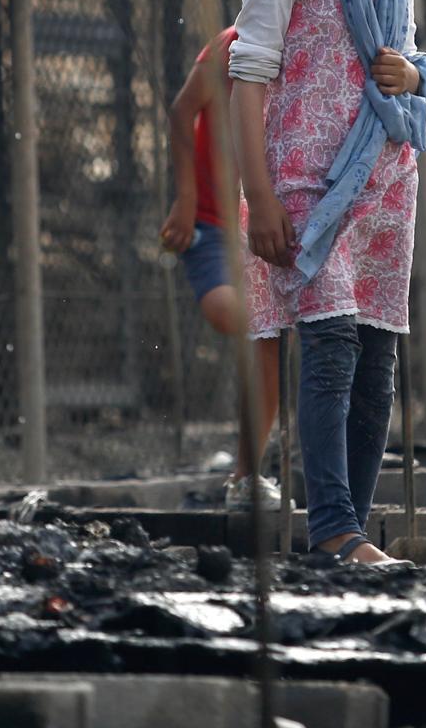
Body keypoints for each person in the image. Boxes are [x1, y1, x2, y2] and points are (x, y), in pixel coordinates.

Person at [228, 0, 426, 567]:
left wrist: (411, 72)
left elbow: (410, 71)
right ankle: (335, 528)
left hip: (383, 185)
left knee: (376, 359)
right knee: (328, 349)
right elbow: (247, 79)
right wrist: (262, 196)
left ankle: (350, 528)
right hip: (307, 189)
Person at [160, 26, 282, 509]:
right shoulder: (233, 43)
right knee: (237, 315)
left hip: (265, 222)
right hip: (211, 224)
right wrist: (186, 199)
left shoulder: (316, 46)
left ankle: (247, 474)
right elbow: (180, 112)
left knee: (268, 337)